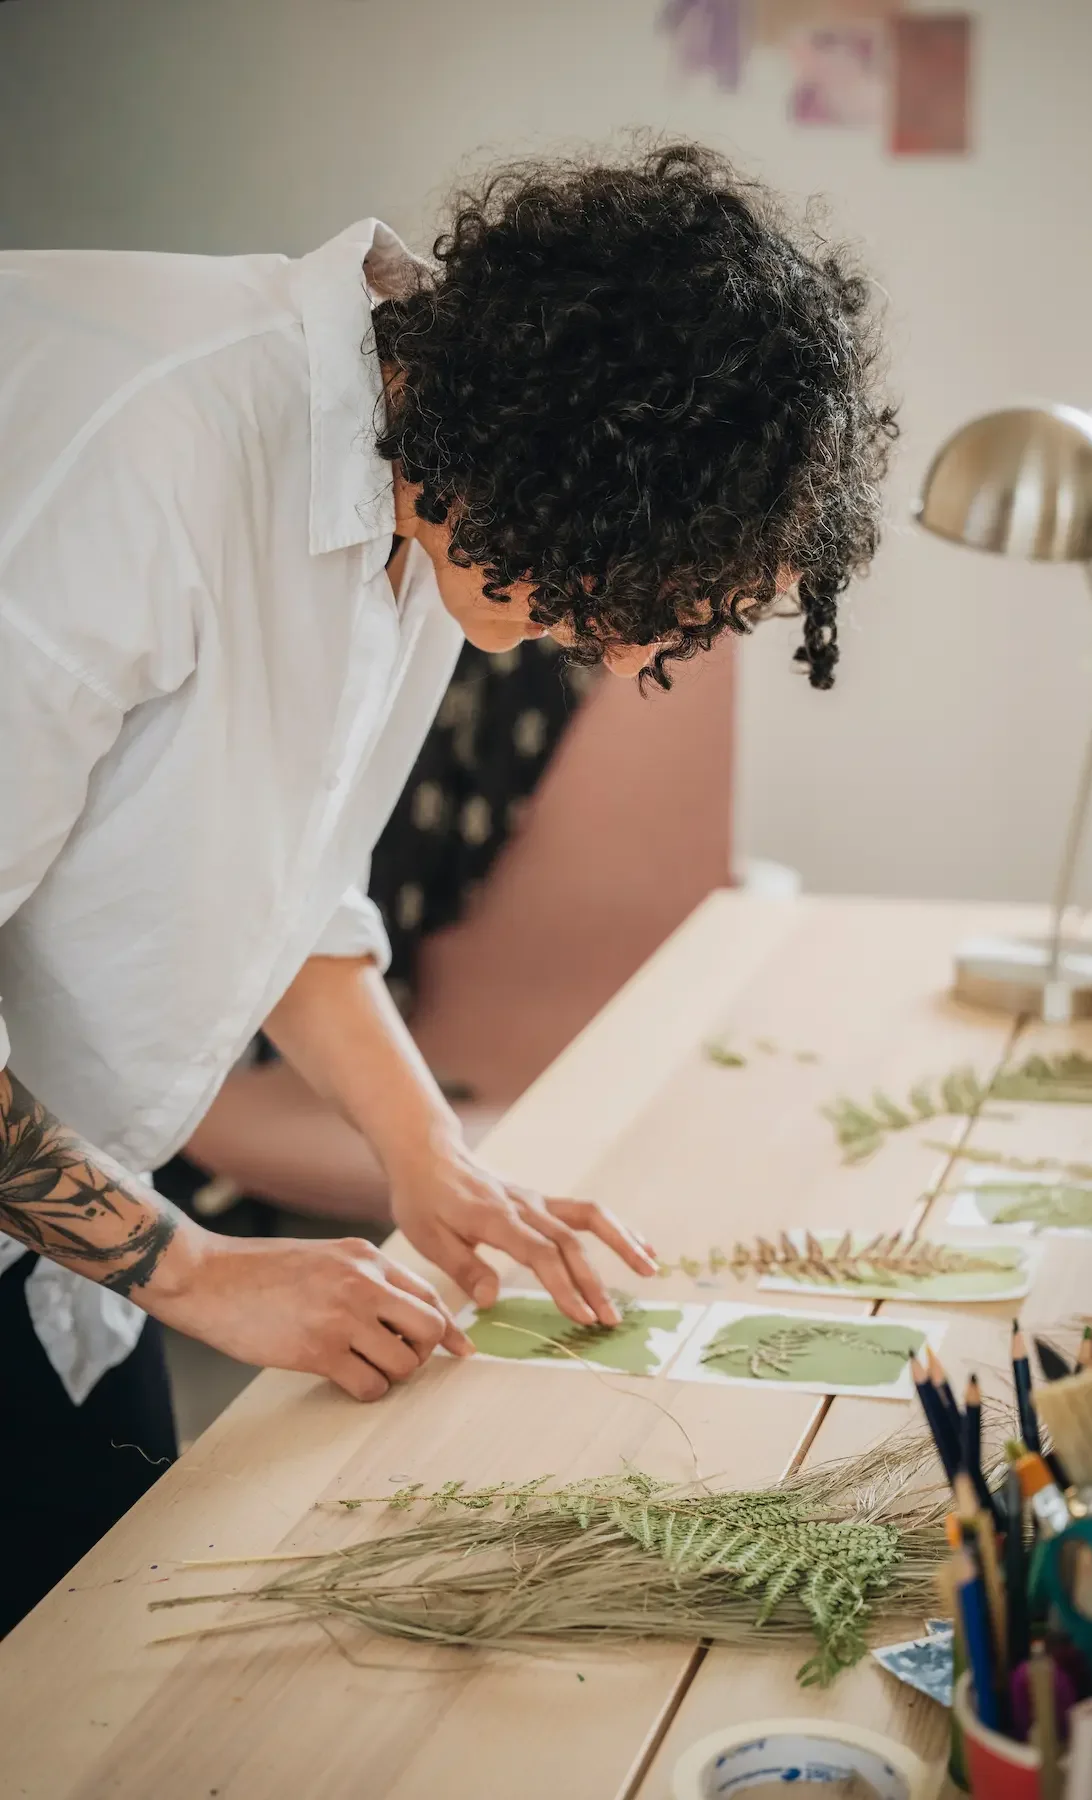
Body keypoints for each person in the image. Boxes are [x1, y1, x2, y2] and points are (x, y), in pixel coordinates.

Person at [0, 142, 895, 1631]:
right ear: (577, 467)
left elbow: (278, 886)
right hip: (104, 1222)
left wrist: (431, 1158)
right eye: (645, 602)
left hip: (54, 1232)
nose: (620, 660)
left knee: (107, 1638)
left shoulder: (424, 493)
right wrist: (196, 1269)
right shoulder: (148, 454)